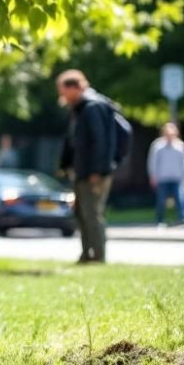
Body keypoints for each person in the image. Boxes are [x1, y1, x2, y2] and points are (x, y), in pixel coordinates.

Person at [56, 69, 118, 264]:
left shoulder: (92, 107)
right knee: (81, 214)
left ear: (75, 88)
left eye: (63, 90)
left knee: (92, 214)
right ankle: (86, 254)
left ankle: (98, 256)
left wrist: (97, 171)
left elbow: (100, 142)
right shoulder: (79, 109)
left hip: (93, 173)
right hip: (81, 171)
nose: (61, 95)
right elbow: (73, 142)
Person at [148, 122, 184, 227]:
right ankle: (160, 220)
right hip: (162, 177)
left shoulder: (180, 146)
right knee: (161, 200)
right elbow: (152, 162)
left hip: (177, 177)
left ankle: (182, 219)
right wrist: (152, 175)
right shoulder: (157, 146)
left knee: (180, 199)